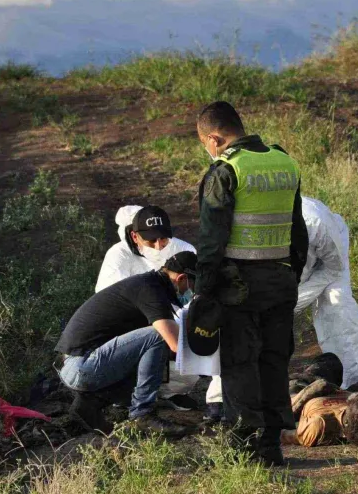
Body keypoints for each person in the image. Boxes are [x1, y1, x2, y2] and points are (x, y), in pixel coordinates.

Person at [193, 101, 309, 466]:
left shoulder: (225, 171)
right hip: (281, 280)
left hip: (238, 287)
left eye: (205, 144)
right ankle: (272, 447)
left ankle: (246, 451)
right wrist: (293, 275)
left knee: (240, 365)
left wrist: (203, 292)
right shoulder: (283, 161)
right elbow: (297, 230)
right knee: (274, 362)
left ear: (214, 138)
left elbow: (212, 241)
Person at [94, 204, 222, 414]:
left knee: (196, 333)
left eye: (163, 239)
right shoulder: (118, 256)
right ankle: (129, 393)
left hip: (174, 317)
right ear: (134, 236)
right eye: (151, 240)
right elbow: (110, 303)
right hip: (136, 324)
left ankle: (174, 391)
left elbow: (201, 292)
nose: (158, 246)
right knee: (153, 341)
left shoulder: (183, 249)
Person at [56, 251, 197, 431]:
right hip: (81, 365)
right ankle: (143, 415)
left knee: (153, 355)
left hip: (77, 364)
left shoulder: (150, 285)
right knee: (158, 336)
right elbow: (176, 344)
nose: (191, 291)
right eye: (193, 284)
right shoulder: (151, 290)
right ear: (182, 278)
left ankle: (89, 404)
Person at [296, 196, 358, 389]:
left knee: (338, 307)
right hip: (298, 269)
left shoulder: (316, 223)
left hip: (330, 259)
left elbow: (333, 268)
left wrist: (294, 301)